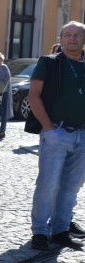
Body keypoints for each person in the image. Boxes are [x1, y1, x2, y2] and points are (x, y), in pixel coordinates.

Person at [28, 22, 85, 251]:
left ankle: (61, 230)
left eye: (77, 35)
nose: (72, 39)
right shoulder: (49, 62)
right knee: (47, 185)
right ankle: (40, 232)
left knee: (71, 187)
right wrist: (48, 127)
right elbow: (33, 96)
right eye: (68, 35)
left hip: (82, 134)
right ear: (60, 39)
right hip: (56, 132)